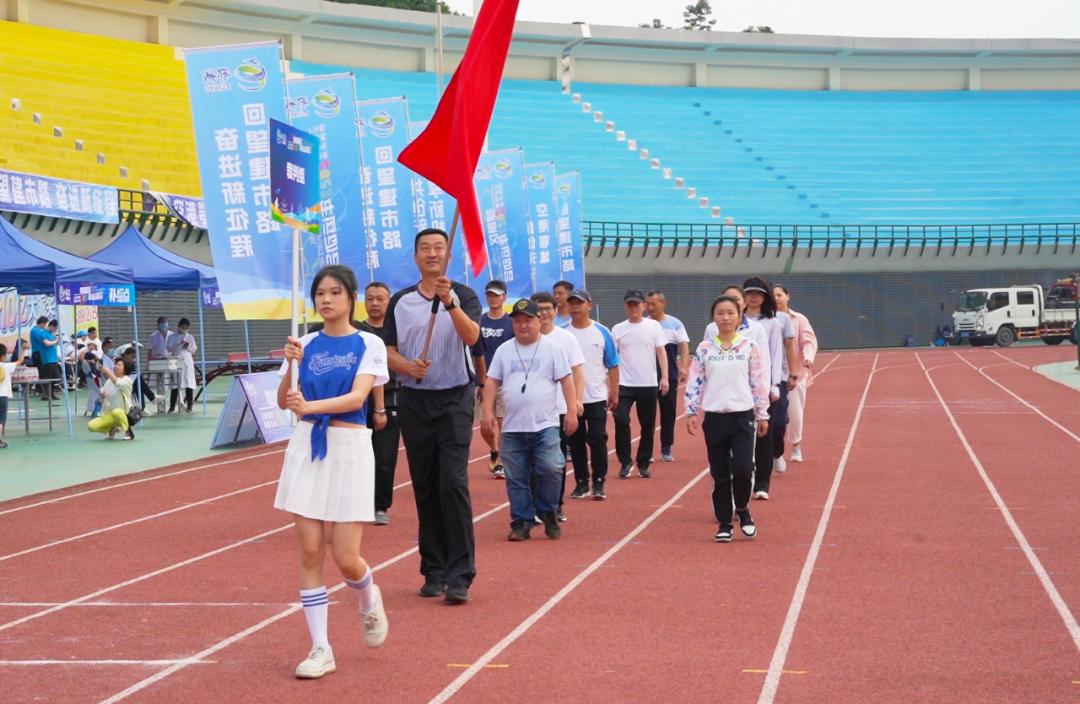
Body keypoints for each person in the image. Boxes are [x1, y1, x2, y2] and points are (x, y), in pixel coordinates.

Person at [274, 264, 390, 680]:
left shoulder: (369, 343)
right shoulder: (303, 342)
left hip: (349, 447)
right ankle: (320, 647)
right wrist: (290, 366)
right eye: (320, 293)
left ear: (350, 299)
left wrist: (311, 407)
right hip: (306, 446)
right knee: (309, 551)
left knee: (345, 557)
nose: (326, 299)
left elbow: (357, 396)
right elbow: (284, 399)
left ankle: (367, 599)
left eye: (335, 292)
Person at [385, 228, 482, 604]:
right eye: (424, 248)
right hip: (415, 401)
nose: (432, 253)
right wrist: (407, 367)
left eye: (439, 248)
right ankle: (433, 569)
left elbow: (473, 338)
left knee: (453, 484)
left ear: (448, 255)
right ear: (415, 257)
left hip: (455, 399)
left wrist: (451, 303)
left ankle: (460, 575)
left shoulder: (466, 295)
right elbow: (387, 350)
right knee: (424, 485)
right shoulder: (402, 301)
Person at [483, 298, 578, 541]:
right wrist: (488, 413)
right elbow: (492, 381)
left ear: (539, 321)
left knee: (551, 468)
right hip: (513, 427)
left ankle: (547, 511)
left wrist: (571, 410)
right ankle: (521, 522)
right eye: (518, 321)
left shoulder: (552, 349)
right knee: (516, 477)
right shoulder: (504, 350)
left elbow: (567, 380)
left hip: (545, 424)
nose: (523, 325)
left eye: (528, 320)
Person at [685, 296, 770, 543]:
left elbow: (758, 381)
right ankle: (724, 522)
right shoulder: (704, 349)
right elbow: (695, 381)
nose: (725, 318)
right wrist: (691, 411)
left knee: (743, 468)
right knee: (720, 473)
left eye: (730, 313)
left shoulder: (749, 346)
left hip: (743, 417)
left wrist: (762, 413)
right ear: (714, 317)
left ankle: (742, 509)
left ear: (739, 315)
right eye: (720, 313)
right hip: (714, 418)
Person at [742, 277, 798, 499]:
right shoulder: (736, 320)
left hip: (767, 384)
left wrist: (774, 384)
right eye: (749, 292)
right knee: (745, 432)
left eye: (758, 293)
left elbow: (775, 354)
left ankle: (762, 483)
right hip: (741, 384)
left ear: (765, 296)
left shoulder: (773, 322)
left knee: (768, 429)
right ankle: (747, 474)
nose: (754, 296)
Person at [532, 291, 585, 521]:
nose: (543, 313)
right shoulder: (524, 337)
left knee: (556, 461)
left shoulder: (566, 338)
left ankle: (555, 505)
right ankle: (534, 506)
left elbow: (577, 371)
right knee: (532, 462)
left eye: (547, 309)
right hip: (532, 411)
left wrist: (577, 400)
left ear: (555, 310)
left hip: (560, 409)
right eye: (539, 309)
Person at [565, 289, 619, 500]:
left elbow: (613, 365)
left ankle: (598, 482)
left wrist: (614, 392)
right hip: (570, 399)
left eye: (579, 303)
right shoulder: (563, 333)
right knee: (575, 442)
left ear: (589, 304)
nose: (575, 307)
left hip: (596, 396)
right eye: (572, 303)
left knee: (597, 438)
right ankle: (581, 482)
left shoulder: (602, 332)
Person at [612, 289, 669, 479]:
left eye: (636, 304)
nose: (633, 308)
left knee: (647, 425)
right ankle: (625, 461)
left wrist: (665, 377)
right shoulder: (618, 329)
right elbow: (612, 359)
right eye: (630, 304)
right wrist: (610, 384)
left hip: (648, 383)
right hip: (624, 383)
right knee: (620, 419)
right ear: (625, 307)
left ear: (643, 306)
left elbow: (661, 352)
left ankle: (643, 462)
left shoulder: (653, 327)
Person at [358, 281, 398, 526]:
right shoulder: (358, 331)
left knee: (384, 458)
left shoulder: (396, 332)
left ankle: (380, 506)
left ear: (389, 301)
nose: (374, 303)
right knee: (358, 456)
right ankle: (358, 503)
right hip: (359, 402)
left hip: (391, 401)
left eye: (380, 299)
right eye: (370, 298)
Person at [473, 280, 513, 479]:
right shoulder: (478, 321)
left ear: (504, 297)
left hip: (505, 381)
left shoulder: (510, 322)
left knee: (502, 421)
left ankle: (502, 461)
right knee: (485, 425)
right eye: (490, 295)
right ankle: (494, 449)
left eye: (497, 295)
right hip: (483, 380)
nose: (493, 298)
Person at [773, 285, 818, 463]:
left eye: (779, 295)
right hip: (772, 374)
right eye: (773, 295)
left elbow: (809, 340)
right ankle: (774, 449)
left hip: (795, 373)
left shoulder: (798, 319)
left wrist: (808, 357)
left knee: (795, 412)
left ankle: (796, 446)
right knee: (773, 415)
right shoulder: (767, 320)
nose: (776, 298)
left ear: (787, 296)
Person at [646, 290, 690, 462]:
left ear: (663, 304)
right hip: (647, 377)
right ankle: (647, 450)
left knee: (668, 413)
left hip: (669, 375)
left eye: (653, 304)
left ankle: (666, 447)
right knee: (648, 414)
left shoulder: (675, 323)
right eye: (647, 304)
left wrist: (684, 368)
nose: (649, 308)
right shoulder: (645, 324)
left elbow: (684, 347)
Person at [87, 356, 135, 440]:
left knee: (117, 412)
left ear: (125, 369)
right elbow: (103, 399)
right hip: (110, 414)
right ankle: (112, 428)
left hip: (124, 414)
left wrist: (107, 372)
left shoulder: (127, 380)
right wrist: (102, 397)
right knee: (91, 426)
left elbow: (118, 383)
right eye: (116, 365)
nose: (116, 366)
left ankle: (128, 431)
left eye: (119, 365)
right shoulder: (109, 381)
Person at [167, 318, 198, 413]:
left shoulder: (190, 337)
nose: (184, 330)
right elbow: (169, 348)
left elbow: (194, 350)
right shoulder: (172, 336)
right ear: (179, 327)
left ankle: (190, 406)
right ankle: (172, 407)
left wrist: (188, 346)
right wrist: (179, 344)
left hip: (187, 360)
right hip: (175, 360)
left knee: (189, 383)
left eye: (186, 328)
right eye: (183, 328)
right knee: (175, 384)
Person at [0, 343, 28, 449]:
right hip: (2, 397)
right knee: (1, 419)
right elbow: (20, 361)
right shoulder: (6, 366)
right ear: (3, 356)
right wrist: (24, 350)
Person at [29, 318, 61, 401]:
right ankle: (47, 394)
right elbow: (46, 342)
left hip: (51, 358)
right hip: (43, 356)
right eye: (46, 324)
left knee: (54, 377)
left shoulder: (49, 333)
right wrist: (55, 340)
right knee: (45, 376)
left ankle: (51, 393)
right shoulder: (39, 332)